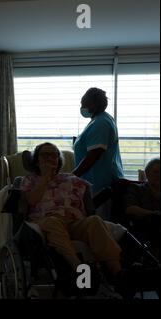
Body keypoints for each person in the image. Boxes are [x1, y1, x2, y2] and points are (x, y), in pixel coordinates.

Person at [21, 143, 123, 280]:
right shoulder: (29, 179)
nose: (50, 158)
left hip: (74, 223)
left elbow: (88, 205)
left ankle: (118, 274)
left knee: (95, 221)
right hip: (46, 222)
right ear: (37, 160)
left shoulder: (73, 179)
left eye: (54, 155)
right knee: (53, 222)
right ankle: (79, 269)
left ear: (58, 160)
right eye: (45, 155)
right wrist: (45, 178)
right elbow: (31, 201)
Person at [72, 88, 124, 196]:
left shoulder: (101, 123)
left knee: (98, 213)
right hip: (96, 182)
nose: (82, 108)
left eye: (83, 104)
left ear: (93, 104)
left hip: (100, 184)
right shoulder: (101, 119)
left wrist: (72, 177)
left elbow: (94, 154)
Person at [124, 158, 160, 258]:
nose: (159, 175)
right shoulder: (136, 188)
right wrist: (153, 213)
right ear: (147, 173)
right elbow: (130, 208)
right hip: (144, 227)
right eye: (156, 172)